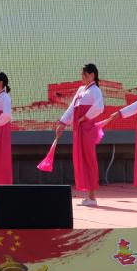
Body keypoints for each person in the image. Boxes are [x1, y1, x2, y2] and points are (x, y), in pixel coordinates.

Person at [56, 63, 104, 206]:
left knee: (89, 159)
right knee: (81, 159)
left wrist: (85, 117)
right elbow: (72, 108)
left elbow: (99, 107)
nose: (82, 77)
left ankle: (92, 197)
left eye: (85, 74)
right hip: (79, 129)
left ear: (92, 75)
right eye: (82, 74)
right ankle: (89, 196)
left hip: (87, 129)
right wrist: (62, 123)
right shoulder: (81, 89)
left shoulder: (95, 90)